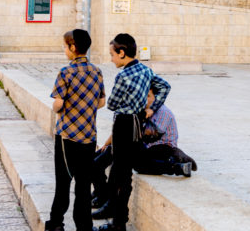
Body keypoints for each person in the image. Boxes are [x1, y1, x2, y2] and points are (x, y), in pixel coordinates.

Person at [97, 33, 170, 231]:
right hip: (138, 122)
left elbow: (111, 104)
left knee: (121, 174)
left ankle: (118, 224)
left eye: (112, 54)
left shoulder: (122, 76)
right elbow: (164, 87)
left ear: (122, 53)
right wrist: (151, 109)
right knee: (125, 173)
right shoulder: (146, 70)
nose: (111, 58)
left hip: (123, 124)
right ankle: (118, 219)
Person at [92, 84, 196, 219]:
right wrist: (107, 145)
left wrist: (132, 125)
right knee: (103, 157)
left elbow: (148, 135)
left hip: (162, 147)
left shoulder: (162, 112)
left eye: (149, 96)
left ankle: (176, 167)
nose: (145, 99)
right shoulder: (141, 109)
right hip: (146, 146)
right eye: (143, 96)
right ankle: (101, 194)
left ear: (157, 97)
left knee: (136, 164)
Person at [45, 28, 105, 231]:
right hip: (89, 136)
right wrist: (84, 107)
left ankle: (55, 224)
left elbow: (58, 104)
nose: (64, 50)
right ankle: (84, 226)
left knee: (63, 183)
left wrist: (58, 106)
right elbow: (101, 102)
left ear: (72, 47)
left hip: (67, 136)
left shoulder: (66, 72)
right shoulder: (97, 71)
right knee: (83, 185)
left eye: (65, 46)